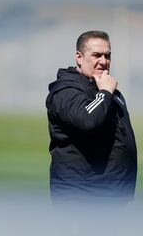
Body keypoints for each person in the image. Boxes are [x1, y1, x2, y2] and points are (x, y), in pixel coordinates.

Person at [45, 30, 137, 204]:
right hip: (82, 197)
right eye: (97, 55)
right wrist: (105, 92)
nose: (104, 61)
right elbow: (88, 120)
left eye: (107, 56)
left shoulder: (107, 89)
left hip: (110, 195)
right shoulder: (67, 91)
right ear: (79, 57)